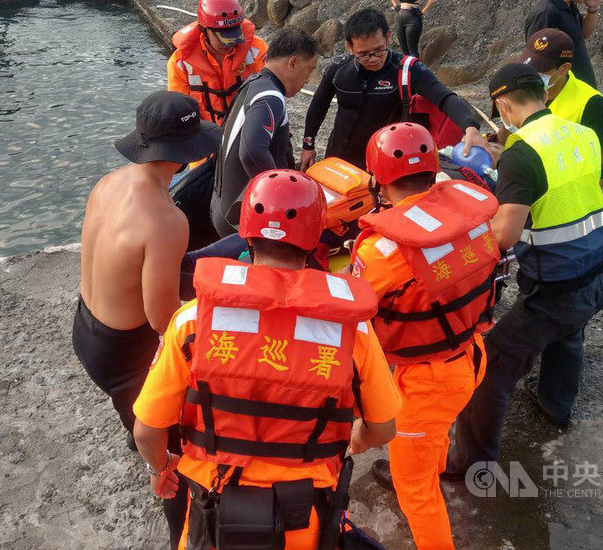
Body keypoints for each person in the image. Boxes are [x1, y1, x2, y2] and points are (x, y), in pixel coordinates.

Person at [133, 169, 402, 550]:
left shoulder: (192, 321)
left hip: (214, 514)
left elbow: (146, 430)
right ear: (314, 239)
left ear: (246, 233)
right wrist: (354, 442)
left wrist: (159, 469)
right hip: (303, 518)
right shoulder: (351, 331)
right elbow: (383, 428)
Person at [449, 64, 603, 478]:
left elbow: (504, 236)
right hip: (598, 277)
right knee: (568, 334)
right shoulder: (583, 134)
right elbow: (556, 177)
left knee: (489, 369)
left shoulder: (523, 154)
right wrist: (503, 159)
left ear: (502, 105)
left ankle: (470, 466)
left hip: (554, 293)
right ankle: (555, 407)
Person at [75, 90, 222, 549]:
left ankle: (133, 427)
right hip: (125, 352)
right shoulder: (166, 219)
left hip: (85, 326)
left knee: (133, 412)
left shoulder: (110, 181)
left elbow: (126, 264)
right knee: (171, 445)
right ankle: (179, 523)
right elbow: (164, 321)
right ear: (182, 155)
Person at [351, 123, 499, 550]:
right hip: (470, 356)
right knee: (431, 442)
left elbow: (357, 307)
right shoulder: (469, 218)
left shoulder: (380, 252)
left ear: (378, 180)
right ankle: (422, 464)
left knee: (417, 495)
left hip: (426, 381)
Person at [301, 8, 488, 172]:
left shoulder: (407, 69)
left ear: (388, 37)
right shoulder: (339, 69)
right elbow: (319, 105)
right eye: (363, 54)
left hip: (384, 159)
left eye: (378, 50)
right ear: (349, 46)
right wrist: (307, 145)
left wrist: (470, 127)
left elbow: (445, 97)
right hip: (338, 157)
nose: (373, 59)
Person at [210, 27, 320, 238]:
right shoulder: (270, 97)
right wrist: (284, 197)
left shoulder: (254, 83)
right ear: (293, 63)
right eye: (310, 69)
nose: (308, 79)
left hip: (223, 206)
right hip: (239, 221)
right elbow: (252, 153)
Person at [517, 28, 603, 182]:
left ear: (564, 68)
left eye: (541, 69)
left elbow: (602, 163)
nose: (532, 73)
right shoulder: (523, 89)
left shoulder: (592, 103)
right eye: (529, 65)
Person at [167, 0, 268, 126]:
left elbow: (269, 95)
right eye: (223, 37)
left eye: (234, 34)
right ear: (204, 30)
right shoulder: (181, 62)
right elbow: (179, 110)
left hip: (247, 129)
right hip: (205, 135)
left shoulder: (257, 50)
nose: (230, 43)